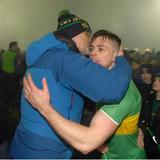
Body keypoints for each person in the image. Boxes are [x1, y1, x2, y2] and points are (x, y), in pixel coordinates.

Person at [9, 10, 132, 159]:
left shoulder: (44, 55)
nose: (90, 41)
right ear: (79, 34)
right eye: (88, 35)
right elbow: (113, 89)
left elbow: (69, 101)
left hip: (25, 142)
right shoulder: (66, 59)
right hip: (48, 151)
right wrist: (121, 59)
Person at [23, 30, 146, 159]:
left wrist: (44, 107)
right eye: (91, 48)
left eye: (101, 49)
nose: (93, 53)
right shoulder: (98, 83)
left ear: (116, 55)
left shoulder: (121, 91)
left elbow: (86, 143)